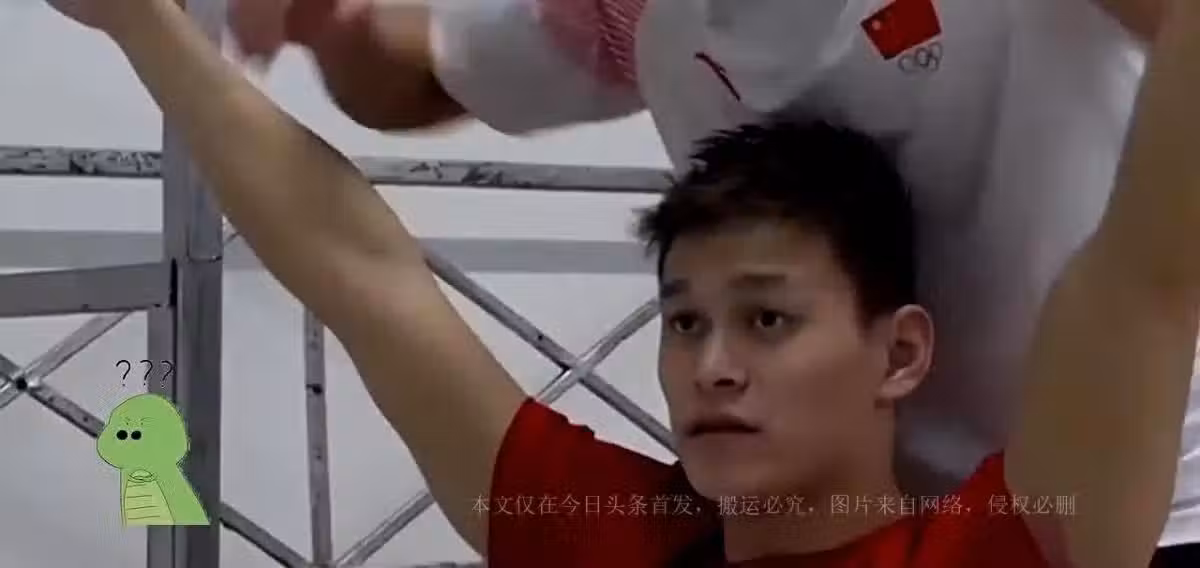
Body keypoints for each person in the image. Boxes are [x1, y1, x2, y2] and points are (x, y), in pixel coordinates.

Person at [44, 0, 1200, 566]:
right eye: (683, 321)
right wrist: (145, 26)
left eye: (765, 319)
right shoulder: (616, 535)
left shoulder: (1012, 546)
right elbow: (361, 273)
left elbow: (1146, 276)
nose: (712, 366)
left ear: (899, 350)